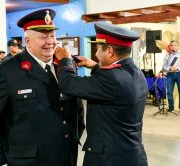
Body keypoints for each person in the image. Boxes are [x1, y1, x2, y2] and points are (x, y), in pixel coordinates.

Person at [0, 9, 84, 166]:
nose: (50, 42)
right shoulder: (7, 71)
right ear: (28, 41)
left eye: (53, 36)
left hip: (65, 155)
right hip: (28, 160)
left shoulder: (64, 65)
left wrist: (77, 132)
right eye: (43, 37)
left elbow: (76, 103)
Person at [55, 22, 148, 166]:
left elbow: (69, 84)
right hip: (131, 155)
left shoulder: (111, 79)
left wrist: (65, 60)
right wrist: (95, 66)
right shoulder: (135, 72)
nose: (96, 54)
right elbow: (113, 86)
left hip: (109, 159)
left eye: (98, 49)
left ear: (109, 51)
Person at [162, 40, 180, 112]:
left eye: (175, 45)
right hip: (170, 74)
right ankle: (171, 107)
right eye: (172, 45)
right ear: (170, 47)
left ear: (178, 46)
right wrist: (169, 68)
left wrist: (179, 68)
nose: (173, 46)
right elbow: (164, 66)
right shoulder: (167, 55)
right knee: (169, 92)